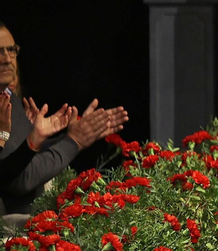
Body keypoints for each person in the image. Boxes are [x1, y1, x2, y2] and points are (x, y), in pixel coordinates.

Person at [0, 24, 129, 216]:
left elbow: (21, 161)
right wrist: (73, 142)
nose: (8, 59)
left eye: (11, 50)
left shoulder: (8, 96)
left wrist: (70, 136)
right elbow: (20, 179)